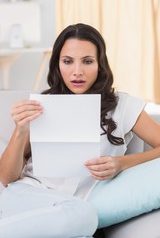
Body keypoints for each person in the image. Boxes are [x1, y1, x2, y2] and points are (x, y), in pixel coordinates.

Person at [0, 23, 160, 238]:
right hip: (30, 195)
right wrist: (20, 130)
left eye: (87, 61)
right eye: (67, 61)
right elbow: (7, 179)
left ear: (100, 64)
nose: (77, 72)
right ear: (57, 64)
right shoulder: (42, 105)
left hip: (78, 206)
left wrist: (122, 163)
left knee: (83, 221)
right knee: (83, 217)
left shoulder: (123, 105)